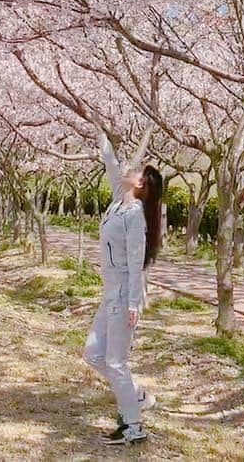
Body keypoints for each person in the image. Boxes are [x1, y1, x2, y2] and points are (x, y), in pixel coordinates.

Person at [83, 128, 163, 446]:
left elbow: (135, 262)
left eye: (139, 171)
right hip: (110, 295)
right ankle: (135, 396)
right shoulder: (119, 200)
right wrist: (97, 126)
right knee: (92, 354)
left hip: (122, 299)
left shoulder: (134, 217)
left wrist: (133, 303)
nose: (132, 169)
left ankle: (133, 427)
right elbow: (110, 162)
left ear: (141, 184)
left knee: (116, 361)